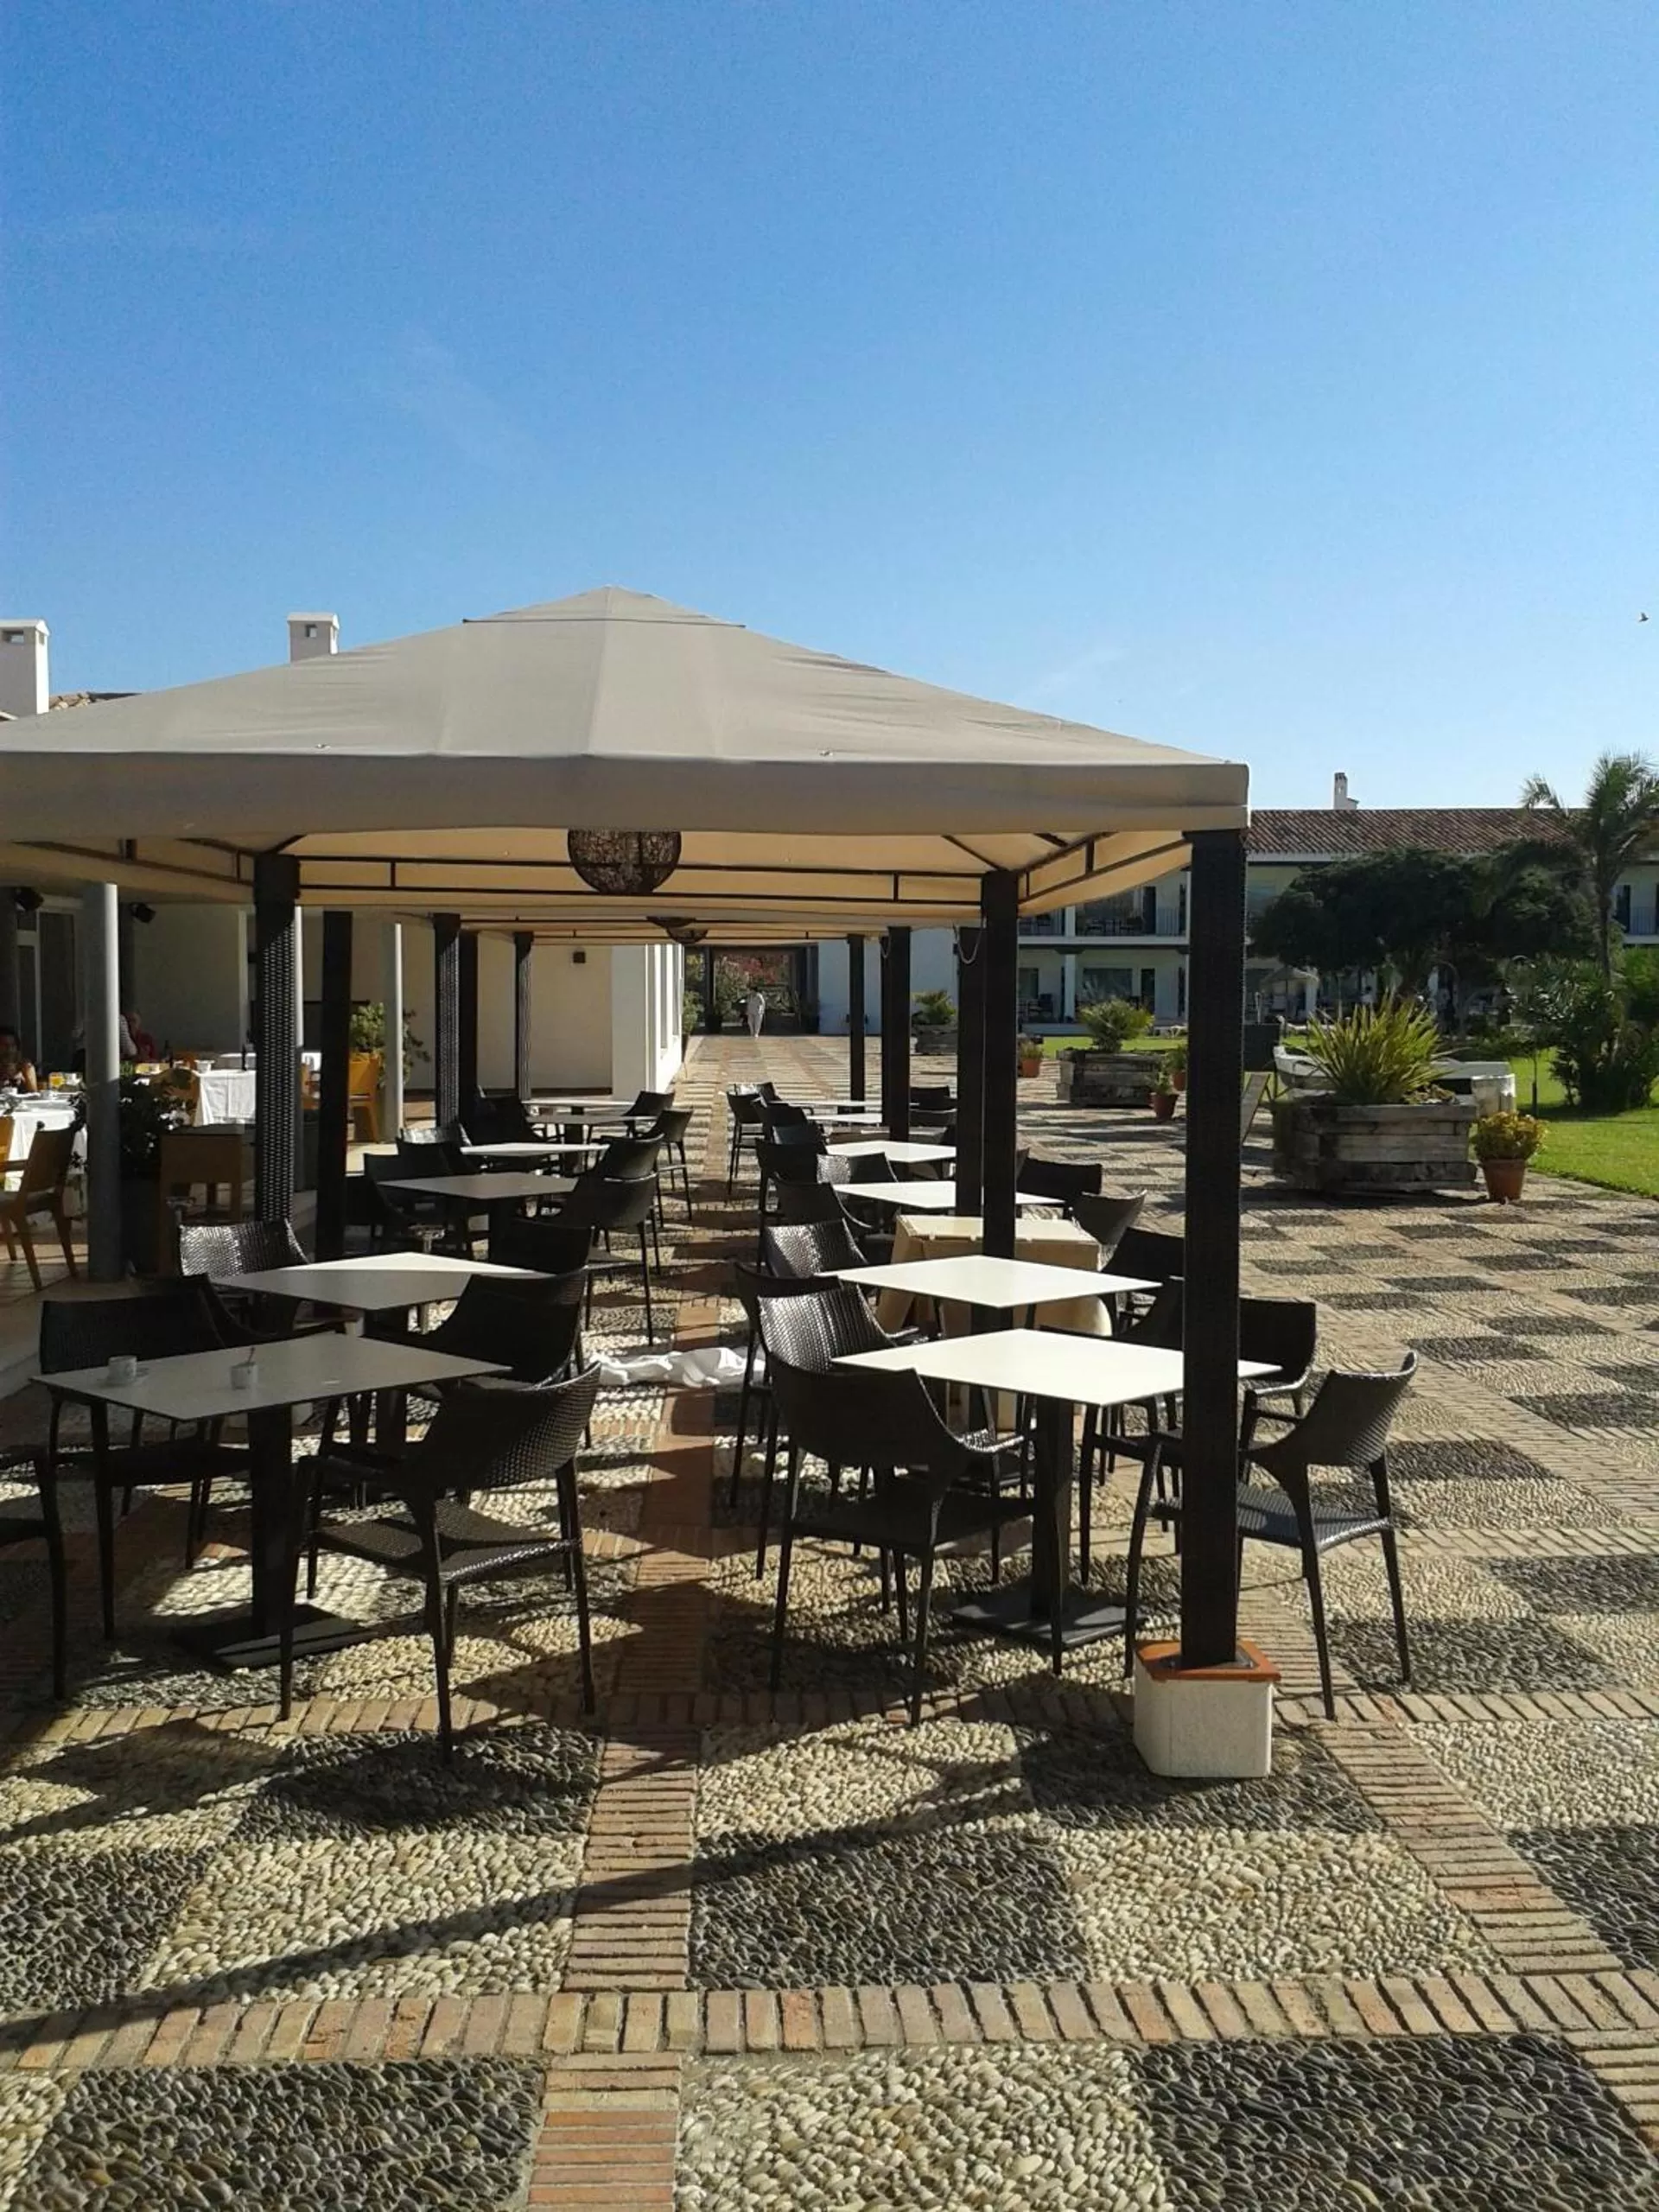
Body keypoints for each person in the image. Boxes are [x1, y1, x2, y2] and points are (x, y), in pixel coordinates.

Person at [0, 1026, 40, 1092]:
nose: (9, 1050)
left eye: (12, 1046)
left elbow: (33, 1093)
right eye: (4, 1046)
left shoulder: (25, 1066)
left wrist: (26, 1073)